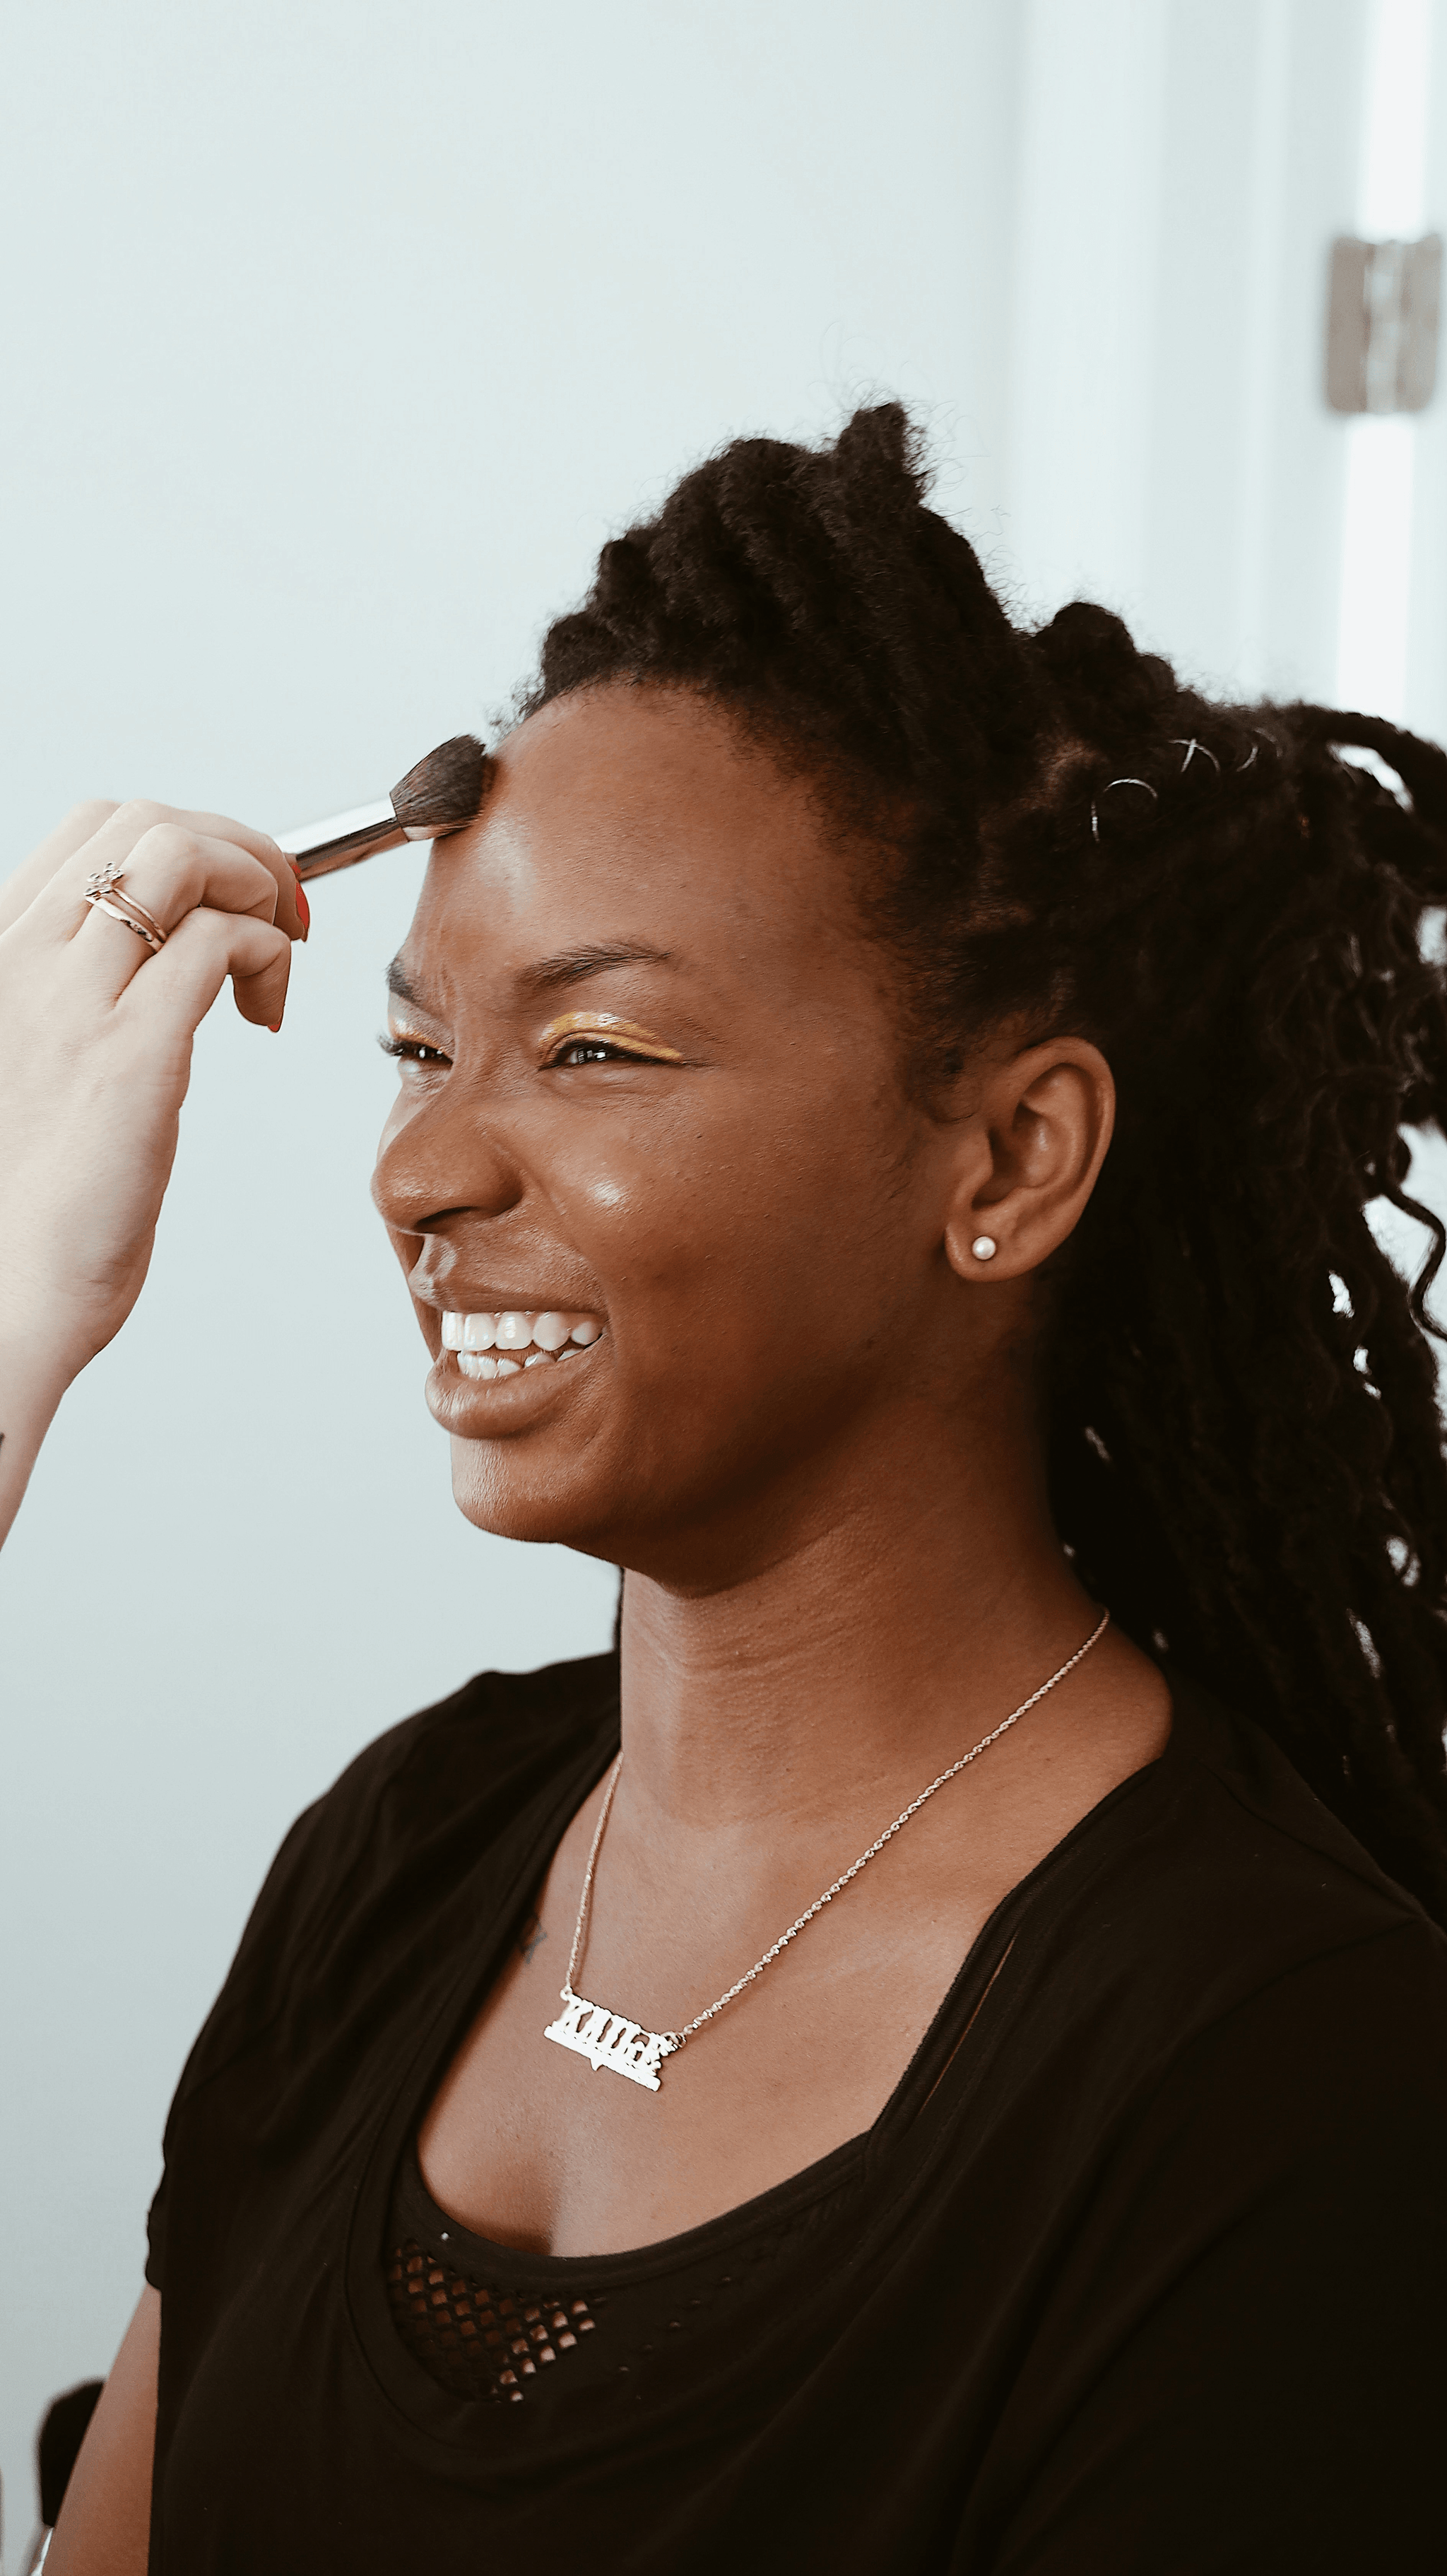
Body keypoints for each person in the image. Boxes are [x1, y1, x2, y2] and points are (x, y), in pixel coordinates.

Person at [6, 406, 1447, 2575]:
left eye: (595, 1049)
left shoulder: (1280, 2082)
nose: (421, 1170)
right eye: (418, 1047)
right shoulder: (401, 1852)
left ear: (1007, 1157)